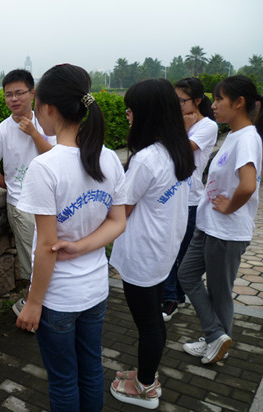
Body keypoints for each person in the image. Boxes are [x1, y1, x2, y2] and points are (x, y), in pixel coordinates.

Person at [15, 64, 127, 411]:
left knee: (64, 380)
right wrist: (81, 247)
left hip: (59, 297)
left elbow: (47, 246)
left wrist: (33, 302)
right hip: (95, 289)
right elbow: (117, 221)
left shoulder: (45, 167)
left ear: (48, 108)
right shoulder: (109, 158)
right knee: (91, 370)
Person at [109, 79, 195, 409]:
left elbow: (122, 211)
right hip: (163, 250)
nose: (128, 115)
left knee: (149, 325)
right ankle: (146, 373)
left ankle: (145, 386)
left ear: (147, 113)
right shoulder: (177, 149)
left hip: (143, 256)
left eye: (131, 110)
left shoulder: (146, 159)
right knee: (154, 320)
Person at [179, 75, 263, 365]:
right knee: (186, 275)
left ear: (239, 103)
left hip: (226, 231)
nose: (213, 105)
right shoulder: (235, 135)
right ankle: (216, 335)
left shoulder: (247, 138)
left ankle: (216, 341)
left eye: (219, 99)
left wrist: (229, 207)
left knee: (219, 292)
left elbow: (248, 185)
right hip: (209, 226)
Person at [0, 69, 55, 317]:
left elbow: (57, 159)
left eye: (19, 93)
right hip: (21, 206)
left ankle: (40, 305)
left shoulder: (46, 124)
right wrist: (13, 186)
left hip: (51, 202)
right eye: (8, 94)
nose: (13, 99)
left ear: (32, 94)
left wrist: (34, 133)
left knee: (52, 255)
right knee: (33, 259)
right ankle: (34, 307)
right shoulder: (2, 131)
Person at [162, 78, 218, 321]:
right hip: (171, 196)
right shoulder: (178, 122)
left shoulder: (207, 126)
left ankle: (172, 298)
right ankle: (172, 296)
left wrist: (183, 128)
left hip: (191, 199)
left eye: (181, 101)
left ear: (197, 101)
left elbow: (180, 150)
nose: (177, 105)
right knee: (169, 249)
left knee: (181, 253)